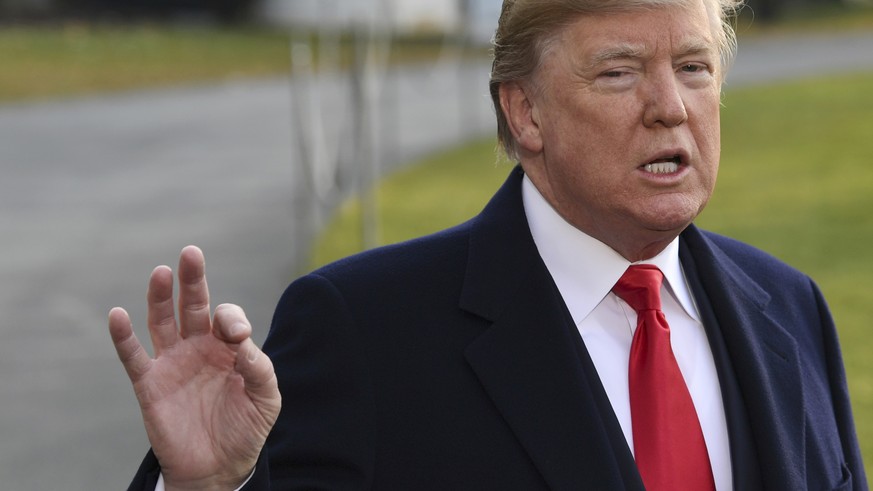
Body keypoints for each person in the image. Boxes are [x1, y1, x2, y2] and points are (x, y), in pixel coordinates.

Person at [108, 0, 868, 489]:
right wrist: (208, 487)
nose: (670, 107)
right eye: (619, 72)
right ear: (525, 112)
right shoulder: (364, 330)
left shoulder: (791, 308)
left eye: (694, 68)